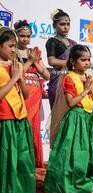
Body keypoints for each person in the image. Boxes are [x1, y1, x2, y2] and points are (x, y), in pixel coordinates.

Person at [44, 45, 93, 193]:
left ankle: (89, 179)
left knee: (91, 151)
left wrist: (92, 92)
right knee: (74, 153)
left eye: (88, 60)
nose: (87, 63)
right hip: (75, 119)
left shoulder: (91, 78)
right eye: (83, 60)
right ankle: (71, 182)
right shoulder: (69, 78)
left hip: (89, 119)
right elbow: (71, 103)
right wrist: (85, 91)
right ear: (73, 61)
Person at [0, 26, 35, 193]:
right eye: (10, 46)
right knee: (6, 161)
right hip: (4, 119)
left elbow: (26, 94)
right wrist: (13, 78)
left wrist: (19, 79)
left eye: (15, 46)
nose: (14, 49)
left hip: (20, 118)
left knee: (21, 161)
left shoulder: (17, 65)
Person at [14, 20, 50, 168]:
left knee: (33, 128)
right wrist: (30, 61)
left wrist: (35, 62)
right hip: (21, 93)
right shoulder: (12, 52)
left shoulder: (34, 52)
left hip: (35, 95)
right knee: (22, 125)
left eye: (28, 36)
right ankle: (19, 159)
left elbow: (47, 75)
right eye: (22, 36)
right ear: (16, 35)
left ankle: (31, 159)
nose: (26, 39)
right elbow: (17, 73)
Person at [46, 9, 77, 147]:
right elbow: (51, 61)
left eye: (68, 24)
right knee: (58, 117)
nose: (65, 27)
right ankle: (57, 153)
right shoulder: (52, 41)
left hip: (72, 80)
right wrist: (71, 63)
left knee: (72, 116)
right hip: (57, 81)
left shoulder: (73, 43)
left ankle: (69, 151)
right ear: (54, 26)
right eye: (62, 24)